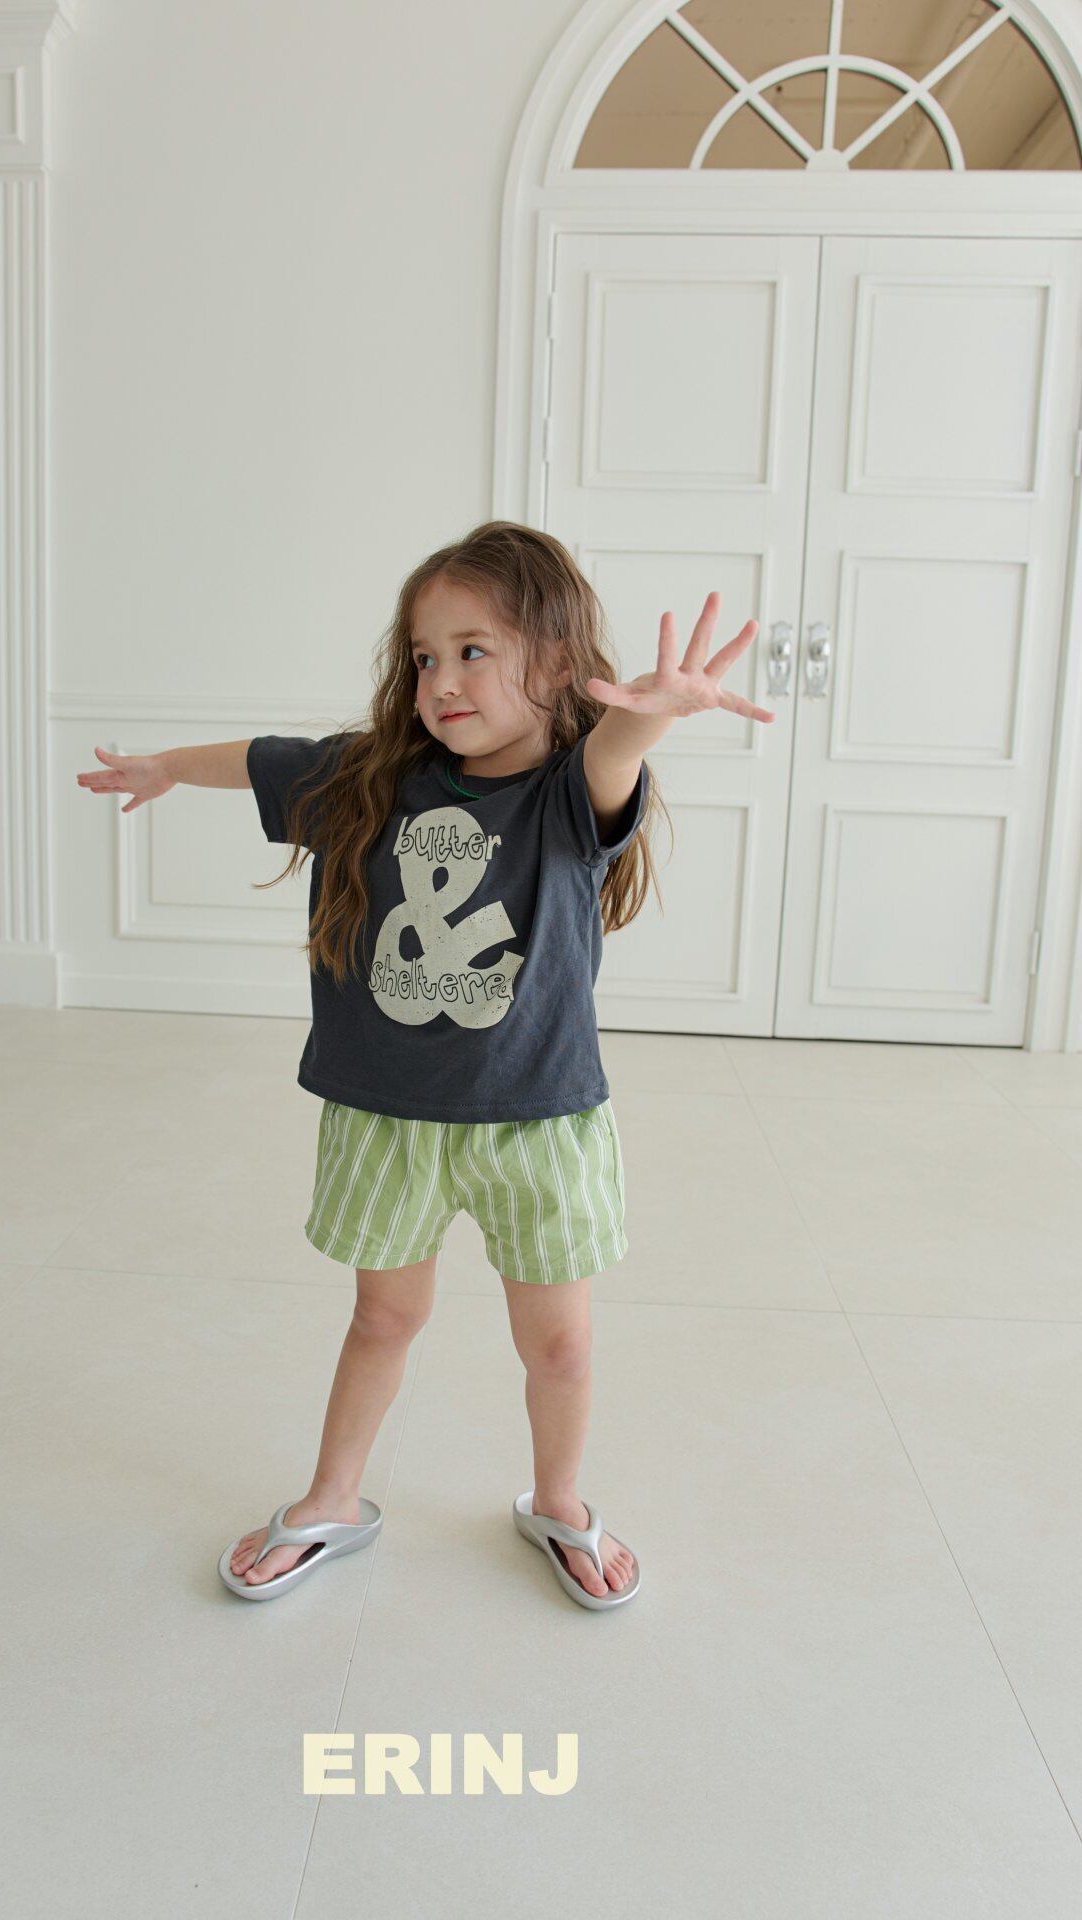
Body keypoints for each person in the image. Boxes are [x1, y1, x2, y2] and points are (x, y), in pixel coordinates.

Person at [77, 520, 768, 1609]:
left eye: (472, 651)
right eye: (423, 656)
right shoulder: (370, 777)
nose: (440, 681)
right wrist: (163, 767)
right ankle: (332, 1498)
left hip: (538, 1121)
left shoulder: (567, 796)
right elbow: (260, 759)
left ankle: (559, 1501)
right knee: (382, 1321)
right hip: (386, 1115)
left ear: (556, 661)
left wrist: (649, 713)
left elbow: (615, 755)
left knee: (560, 1348)